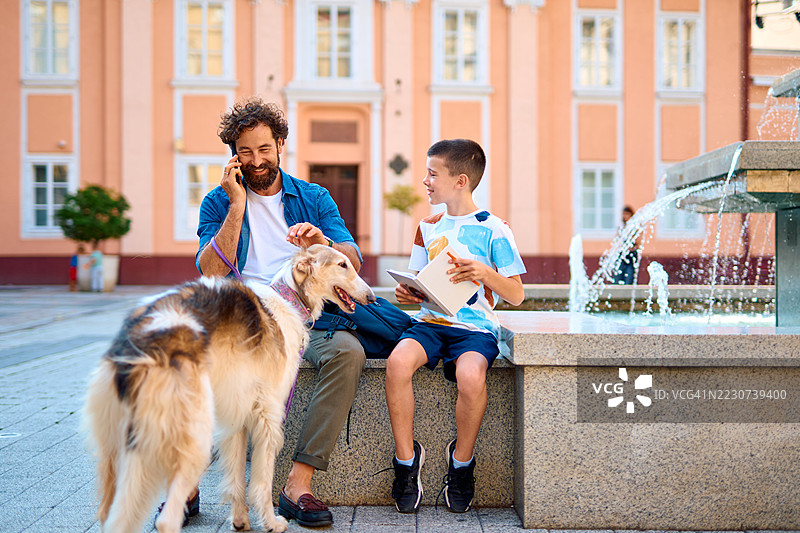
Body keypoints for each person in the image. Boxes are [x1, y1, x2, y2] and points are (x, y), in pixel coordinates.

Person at [192, 97, 363, 528]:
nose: (256, 161)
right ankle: (186, 481)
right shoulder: (217, 202)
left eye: (264, 149)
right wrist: (236, 206)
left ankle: (297, 484)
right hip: (244, 320)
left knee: (348, 352)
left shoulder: (314, 197)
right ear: (234, 156)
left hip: (307, 318)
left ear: (281, 144)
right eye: (245, 152)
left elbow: (353, 260)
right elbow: (210, 270)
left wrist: (322, 241)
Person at [386, 139, 526, 514]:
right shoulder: (427, 227)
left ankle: (461, 464)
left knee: (470, 376)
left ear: (460, 181)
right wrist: (407, 293)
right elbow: (418, 283)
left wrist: (484, 273)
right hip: (430, 323)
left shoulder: (495, 229)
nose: (425, 181)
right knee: (397, 363)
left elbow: (516, 294)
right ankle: (405, 462)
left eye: (433, 174)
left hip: (475, 329)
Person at [612, 205, 641, 285]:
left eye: (627, 214)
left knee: (630, 276)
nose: (625, 216)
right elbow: (617, 239)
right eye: (624, 214)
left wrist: (633, 247)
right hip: (622, 254)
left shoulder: (635, 227)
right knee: (618, 276)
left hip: (631, 255)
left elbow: (639, 241)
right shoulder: (621, 227)